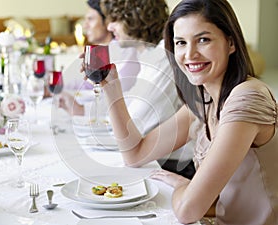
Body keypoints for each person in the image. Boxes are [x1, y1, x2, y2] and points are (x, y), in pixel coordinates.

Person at [100, 0, 278, 224]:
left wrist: (185, 185)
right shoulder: (203, 102)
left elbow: (187, 211)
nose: (190, 54)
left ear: (230, 43)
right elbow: (135, 154)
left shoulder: (247, 96)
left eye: (203, 40)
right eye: (181, 43)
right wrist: (111, 87)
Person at [60, 0, 195, 177]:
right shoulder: (149, 56)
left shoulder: (164, 59)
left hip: (171, 168)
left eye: (115, 19)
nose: (109, 27)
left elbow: (136, 127)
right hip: (149, 159)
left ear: (134, 18)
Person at [63, 0, 140, 92]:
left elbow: (122, 89)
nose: (85, 26)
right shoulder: (99, 51)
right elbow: (81, 84)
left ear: (107, 21)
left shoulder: (124, 50)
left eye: (90, 19)